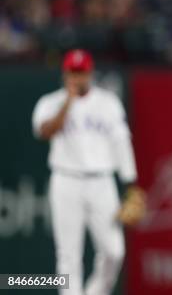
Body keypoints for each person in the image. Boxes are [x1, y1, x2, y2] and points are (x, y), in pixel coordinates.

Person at [32, 49, 138, 295]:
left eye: (81, 72)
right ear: (65, 73)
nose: (77, 77)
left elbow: (122, 143)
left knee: (114, 251)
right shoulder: (50, 102)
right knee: (68, 255)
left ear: (90, 72)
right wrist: (68, 102)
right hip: (66, 180)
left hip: (102, 182)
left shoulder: (108, 103)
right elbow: (45, 132)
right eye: (73, 72)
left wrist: (131, 184)